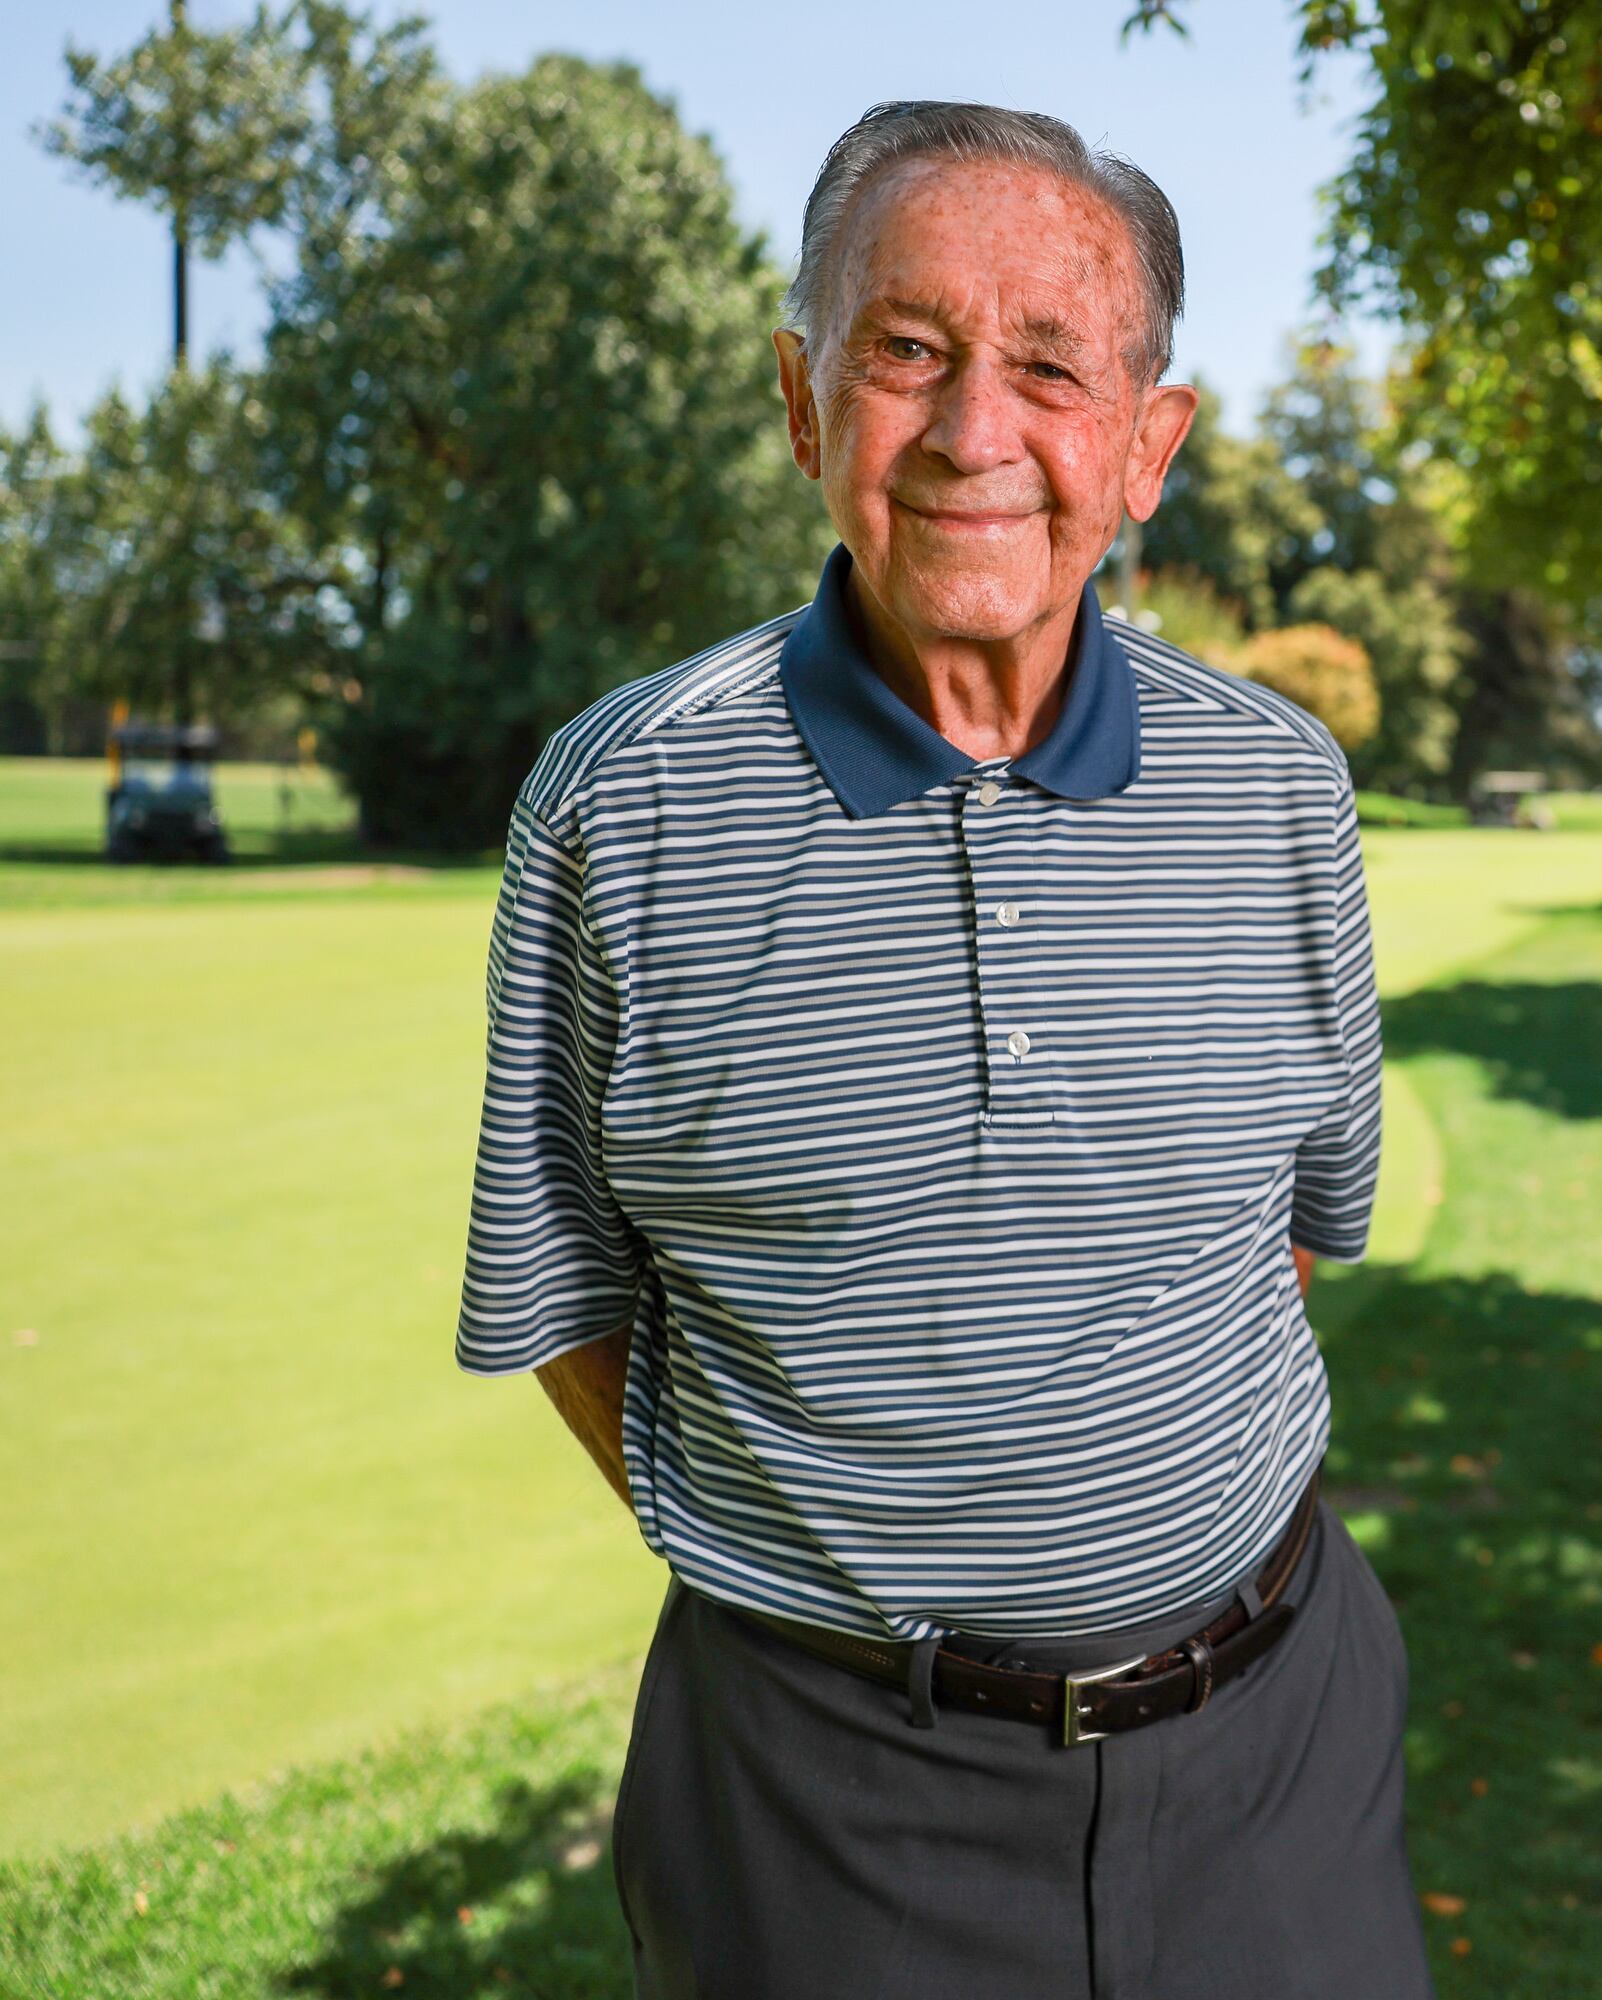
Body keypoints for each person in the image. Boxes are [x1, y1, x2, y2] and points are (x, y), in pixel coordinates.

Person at [453, 100, 1429, 1999]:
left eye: (1052, 368)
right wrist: (843, 1594)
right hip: (821, 1813)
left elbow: (1294, 1234)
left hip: (1278, 1752)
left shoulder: (1278, 787)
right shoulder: (618, 803)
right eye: (906, 350)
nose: (976, 431)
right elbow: (566, 1303)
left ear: (1147, 449)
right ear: (803, 403)